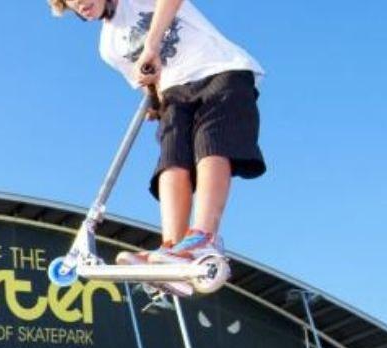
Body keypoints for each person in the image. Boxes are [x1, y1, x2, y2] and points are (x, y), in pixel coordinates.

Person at [48, 0, 265, 278]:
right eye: (70, 2)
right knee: (171, 160)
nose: (79, 3)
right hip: (174, 92)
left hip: (218, 69)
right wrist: (153, 101)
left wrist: (151, 45)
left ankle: (203, 238)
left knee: (210, 143)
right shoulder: (108, 46)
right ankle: (172, 249)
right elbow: (146, 81)